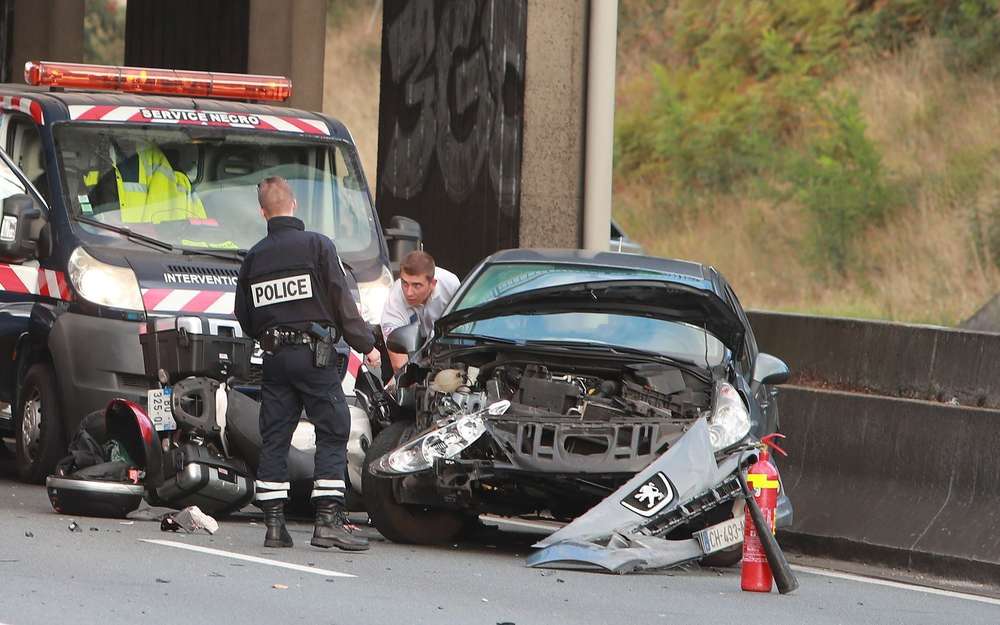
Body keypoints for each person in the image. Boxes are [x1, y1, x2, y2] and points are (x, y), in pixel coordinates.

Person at [234, 176, 380, 551]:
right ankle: (327, 522)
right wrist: (365, 343)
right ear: (294, 204)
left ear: (263, 212)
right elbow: (340, 299)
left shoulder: (253, 257)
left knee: (275, 436)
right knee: (333, 427)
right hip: (314, 357)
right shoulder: (317, 245)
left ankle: (274, 527)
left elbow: (245, 317)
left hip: (274, 360)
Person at [381, 250, 461, 371]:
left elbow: (463, 327)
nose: (408, 292)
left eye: (416, 285)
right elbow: (399, 364)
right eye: (405, 283)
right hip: (409, 349)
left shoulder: (450, 285)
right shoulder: (395, 299)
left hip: (443, 345)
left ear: (432, 284)